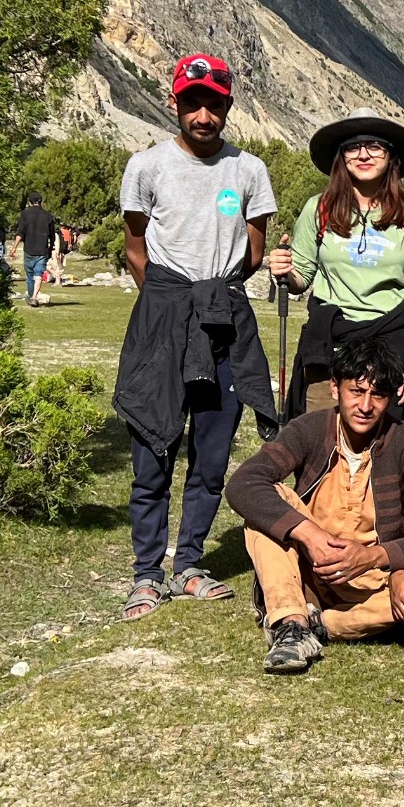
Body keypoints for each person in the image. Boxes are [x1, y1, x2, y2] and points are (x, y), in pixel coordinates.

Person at [112, 53, 280, 620]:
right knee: (153, 443)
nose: (203, 115)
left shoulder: (249, 171)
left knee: (212, 450)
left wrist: (212, 292)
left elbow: (253, 252)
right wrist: (168, 303)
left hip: (224, 315)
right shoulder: (146, 166)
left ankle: (188, 564)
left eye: (214, 104)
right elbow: (137, 249)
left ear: (228, 107)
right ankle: (145, 572)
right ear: (174, 102)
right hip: (164, 315)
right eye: (192, 102)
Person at [230, 341, 404, 674]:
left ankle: (323, 627)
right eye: (356, 391)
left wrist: (379, 558)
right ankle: (291, 619)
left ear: (390, 398)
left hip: (376, 584)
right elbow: (243, 484)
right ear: (335, 387)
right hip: (309, 573)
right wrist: (311, 536)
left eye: (377, 395)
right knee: (267, 504)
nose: (365, 406)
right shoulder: (310, 429)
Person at [270, 109, 404, 422]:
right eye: (353, 147)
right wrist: (283, 269)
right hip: (329, 350)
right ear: (341, 157)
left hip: (391, 351)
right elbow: (301, 277)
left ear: (390, 157)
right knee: (321, 441)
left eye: (375, 146)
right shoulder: (317, 210)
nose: (364, 154)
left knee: (386, 452)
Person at [17, 191, 58, 306]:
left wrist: (14, 248)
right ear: (41, 202)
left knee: (30, 276)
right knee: (38, 274)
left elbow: (20, 232)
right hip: (42, 249)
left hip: (29, 249)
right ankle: (34, 296)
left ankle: (32, 296)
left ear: (29, 202)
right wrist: (50, 249)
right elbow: (52, 236)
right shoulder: (48, 216)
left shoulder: (25, 214)